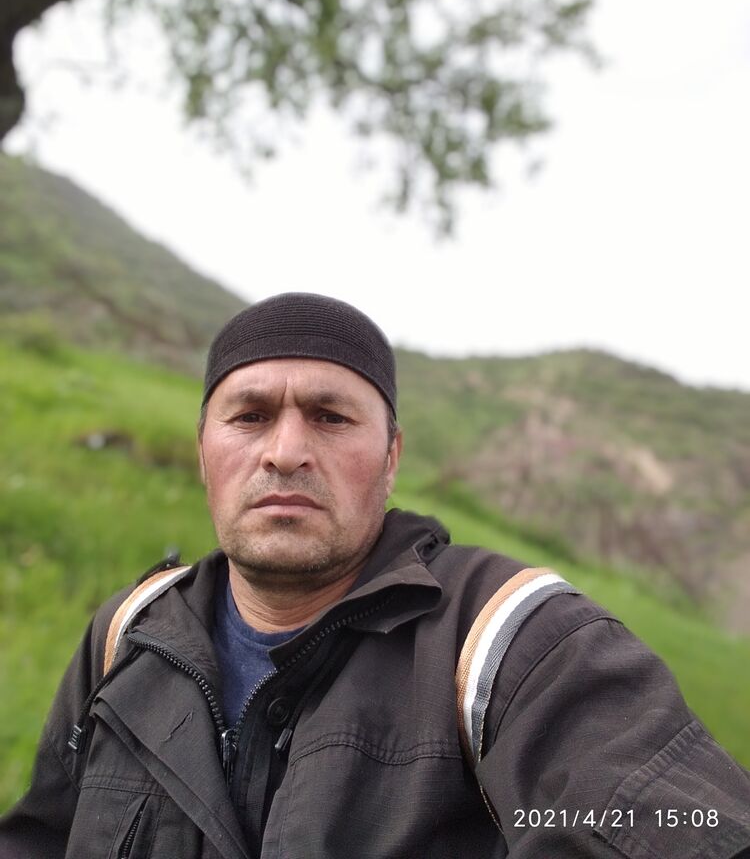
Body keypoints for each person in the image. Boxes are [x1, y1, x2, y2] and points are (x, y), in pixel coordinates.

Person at [1, 292, 749, 859]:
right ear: (203, 452)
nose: (285, 452)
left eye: (331, 417)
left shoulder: (513, 639)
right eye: (249, 416)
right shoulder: (129, 634)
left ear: (391, 459)